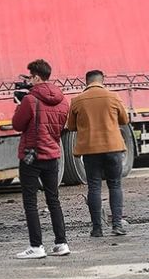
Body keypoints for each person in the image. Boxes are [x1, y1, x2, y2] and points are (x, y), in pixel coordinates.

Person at [11, 59, 70, 259]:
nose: (29, 80)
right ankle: (61, 243)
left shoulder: (30, 100)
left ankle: (36, 246)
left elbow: (17, 125)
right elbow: (61, 126)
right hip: (52, 154)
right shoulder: (63, 100)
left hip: (32, 155)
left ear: (36, 77)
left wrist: (19, 105)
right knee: (53, 200)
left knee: (30, 202)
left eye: (30, 77)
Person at [66, 70, 130, 237]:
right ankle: (117, 225)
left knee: (94, 187)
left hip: (90, 150)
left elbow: (71, 126)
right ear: (102, 81)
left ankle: (97, 229)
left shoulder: (77, 100)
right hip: (113, 148)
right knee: (115, 185)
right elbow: (124, 120)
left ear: (86, 82)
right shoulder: (113, 97)